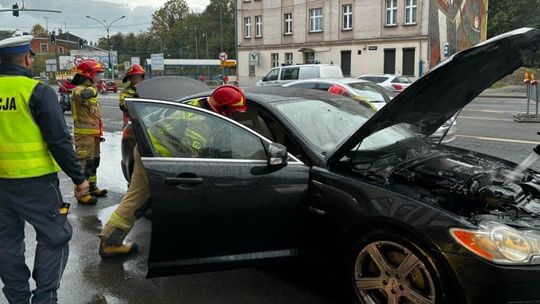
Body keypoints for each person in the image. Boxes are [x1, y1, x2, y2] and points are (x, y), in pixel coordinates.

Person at [98, 85, 247, 257]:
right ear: (224, 108)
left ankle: (110, 241)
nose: (233, 116)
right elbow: (189, 157)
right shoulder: (201, 123)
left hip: (148, 148)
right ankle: (110, 244)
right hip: (156, 155)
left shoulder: (199, 104)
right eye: (233, 112)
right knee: (137, 200)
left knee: (137, 198)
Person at [0, 35, 89, 304]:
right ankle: (45, 298)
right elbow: (59, 140)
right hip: (36, 182)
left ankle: (17, 299)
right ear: (27, 59)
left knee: (6, 244)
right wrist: (79, 177)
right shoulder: (36, 91)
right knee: (55, 236)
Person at [70, 59, 108, 205]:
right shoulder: (78, 90)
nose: (99, 77)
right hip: (84, 136)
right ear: (88, 74)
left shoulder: (90, 89)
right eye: (97, 73)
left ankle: (92, 187)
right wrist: (95, 88)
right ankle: (81, 193)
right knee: (84, 165)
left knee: (94, 163)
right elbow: (86, 94)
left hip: (94, 135)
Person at [119, 63, 145, 156]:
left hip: (146, 125)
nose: (137, 79)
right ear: (130, 78)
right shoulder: (125, 91)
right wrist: (134, 98)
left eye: (139, 76)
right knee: (131, 154)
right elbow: (122, 106)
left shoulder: (147, 88)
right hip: (131, 127)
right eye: (134, 77)